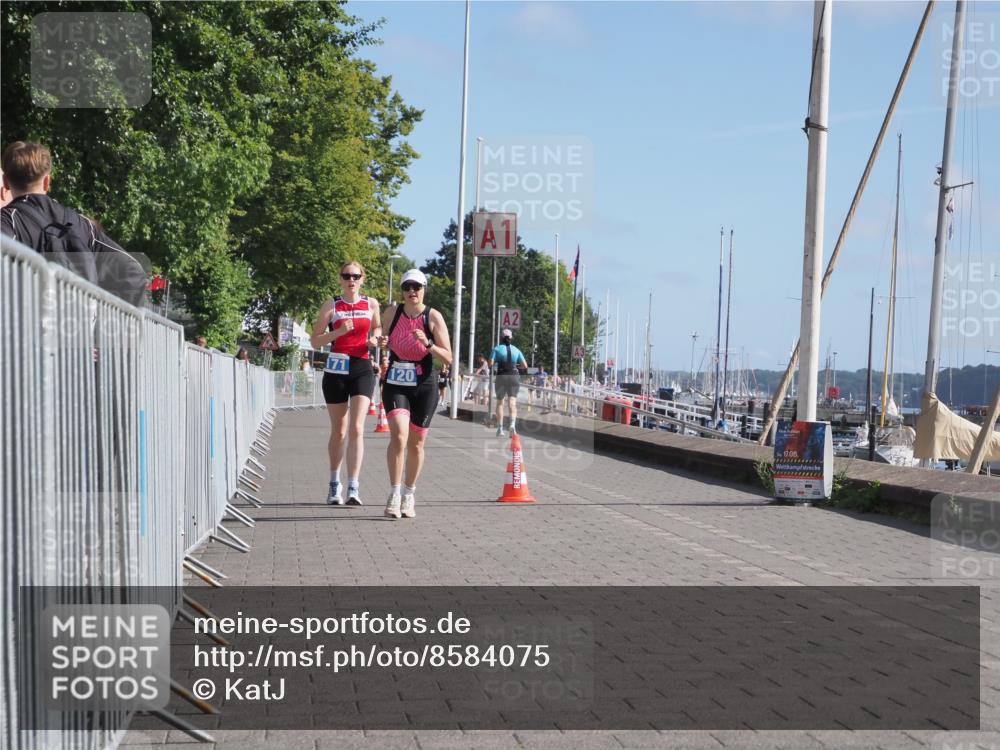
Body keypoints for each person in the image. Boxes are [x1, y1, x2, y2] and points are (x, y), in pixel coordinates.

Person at [0, 141, 147, 306]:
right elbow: (133, 272)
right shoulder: (81, 224)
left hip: (24, 328)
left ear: (5, 182)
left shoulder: (8, 221)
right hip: (75, 327)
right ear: (47, 181)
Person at [377, 269, 452, 520]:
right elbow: (379, 336)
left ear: (424, 289)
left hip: (425, 382)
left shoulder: (433, 317)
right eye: (407, 287)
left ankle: (409, 494)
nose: (412, 291)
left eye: (417, 287)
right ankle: (394, 492)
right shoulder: (392, 312)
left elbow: (449, 357)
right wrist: (380, 343)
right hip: (397, 379)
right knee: (399, 435)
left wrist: (429, 344)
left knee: (417, 442)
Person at [311, 261, 382, 506]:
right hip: (336, 368)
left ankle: (353, 486)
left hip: (362, 366)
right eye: (346, 275)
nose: (351, 279)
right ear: (340, 279)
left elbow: (377, 327)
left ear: (362, 279)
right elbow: (314, 341)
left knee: (357, 428)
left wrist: (374, 338)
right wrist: (338, 332)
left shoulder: (370, 304)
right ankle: (334, 484)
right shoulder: (331, 305)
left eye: (356, 275)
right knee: (339, 430)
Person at [489, 328, 528, 438]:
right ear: (511, 338)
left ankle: (500, 428)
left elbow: (490, 364)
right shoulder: (517, 350)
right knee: (512, 402)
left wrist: (496, 364)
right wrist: (516, 366)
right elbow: (525, 366)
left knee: (500, 403)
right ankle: (512, 425)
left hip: (502, 376)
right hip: (514, 376)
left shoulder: (496, 349)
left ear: (501, 338)